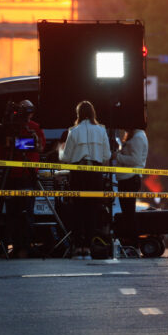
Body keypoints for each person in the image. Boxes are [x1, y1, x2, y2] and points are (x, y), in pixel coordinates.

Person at [59, 101, 112, 252]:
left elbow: (66, 157)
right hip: (95, 174)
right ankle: (89, 245)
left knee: (78, 209)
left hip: (78, 173)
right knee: (93, 209)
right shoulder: (101, 131)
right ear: (93, 113)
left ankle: (77, 245)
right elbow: (107, 155)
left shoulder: (74, 131)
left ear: (78, 114)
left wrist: (60, 150)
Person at [0, 99, 45, 257]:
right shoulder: (9, 129)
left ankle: (26, 246)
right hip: (12, 176)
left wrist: (19, 144)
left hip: (27, 175)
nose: (28, 117)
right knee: (13, 213)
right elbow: (2, 150)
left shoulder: (35, 128)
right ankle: (17, 246)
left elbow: (40, 147)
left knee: (26, 212)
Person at [114, 128, 148, 247]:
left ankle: (132, 242)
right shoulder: (137, 136)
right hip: (128, 178)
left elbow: (135, 159)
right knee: (128, 212)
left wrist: (117, 156)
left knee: (128, 212)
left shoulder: (137, 137)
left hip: (130, 178)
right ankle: (130, 241)